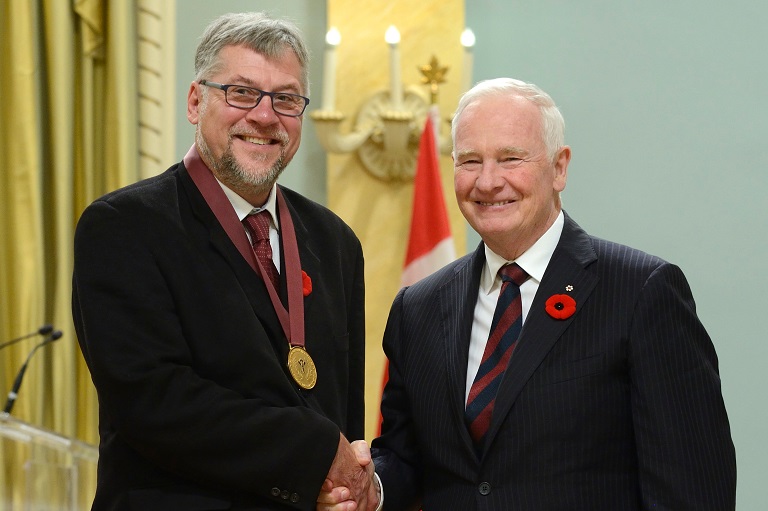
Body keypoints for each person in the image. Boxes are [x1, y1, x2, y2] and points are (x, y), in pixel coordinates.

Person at [319, 77, 736, 510]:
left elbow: (694, 487)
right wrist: (374, 488)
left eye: (510, 158)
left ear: (559, 168)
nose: (488, 181)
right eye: (469, 161)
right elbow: (407, 455)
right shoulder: (417, 308)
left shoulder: (642, 292)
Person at [73, 12, 375, 511]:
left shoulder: (335, 241)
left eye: (286, 98)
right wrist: (314, 454)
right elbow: (154, 403)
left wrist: (348, 485)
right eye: (241, 92)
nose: (264, 116)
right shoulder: (124, 226)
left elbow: (342, 411)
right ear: (196, 102)